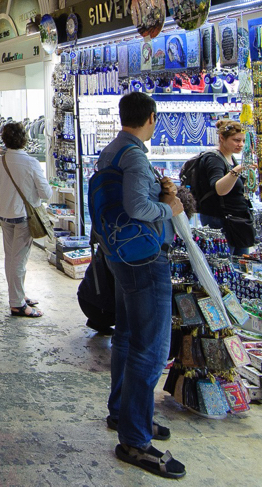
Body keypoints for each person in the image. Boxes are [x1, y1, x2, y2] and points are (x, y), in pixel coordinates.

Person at [98, 91, 185, 479]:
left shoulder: (113, 151)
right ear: (150, 118)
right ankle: (135, 438)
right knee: (151, 349)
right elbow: (137, 208)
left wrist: (157, 189)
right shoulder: (133, 156)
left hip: (120, 255)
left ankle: (124, 413)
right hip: (144, 260)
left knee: (128, 338)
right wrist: (170, 207)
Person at [0, 121, 52, 318]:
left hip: (5, 215)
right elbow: (46, 193)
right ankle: (17, 303)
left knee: (11, 258)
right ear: (24, 139)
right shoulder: (31, 163)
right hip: (24, 217)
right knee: (19, 260)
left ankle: (18, 295)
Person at [197, 119, 255, 255]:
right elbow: (219, 189)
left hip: (236, 221)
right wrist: (238, 170)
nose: (241, 144)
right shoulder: (214, 159)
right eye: (236, 140)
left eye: (243, 141)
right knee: (225, 262)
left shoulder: (230, 158)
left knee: (241, 262)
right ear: (222, 138)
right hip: (221, 221)